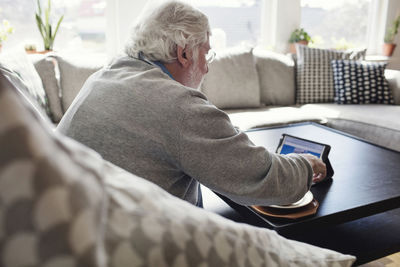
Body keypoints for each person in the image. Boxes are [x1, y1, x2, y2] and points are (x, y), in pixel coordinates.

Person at [57, 0, 326, 207]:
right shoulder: (177, 105)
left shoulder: (104, 76)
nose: (207, 69)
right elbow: (261, 178)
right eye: (206, 53)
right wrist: (305, 165)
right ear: (184, 52)